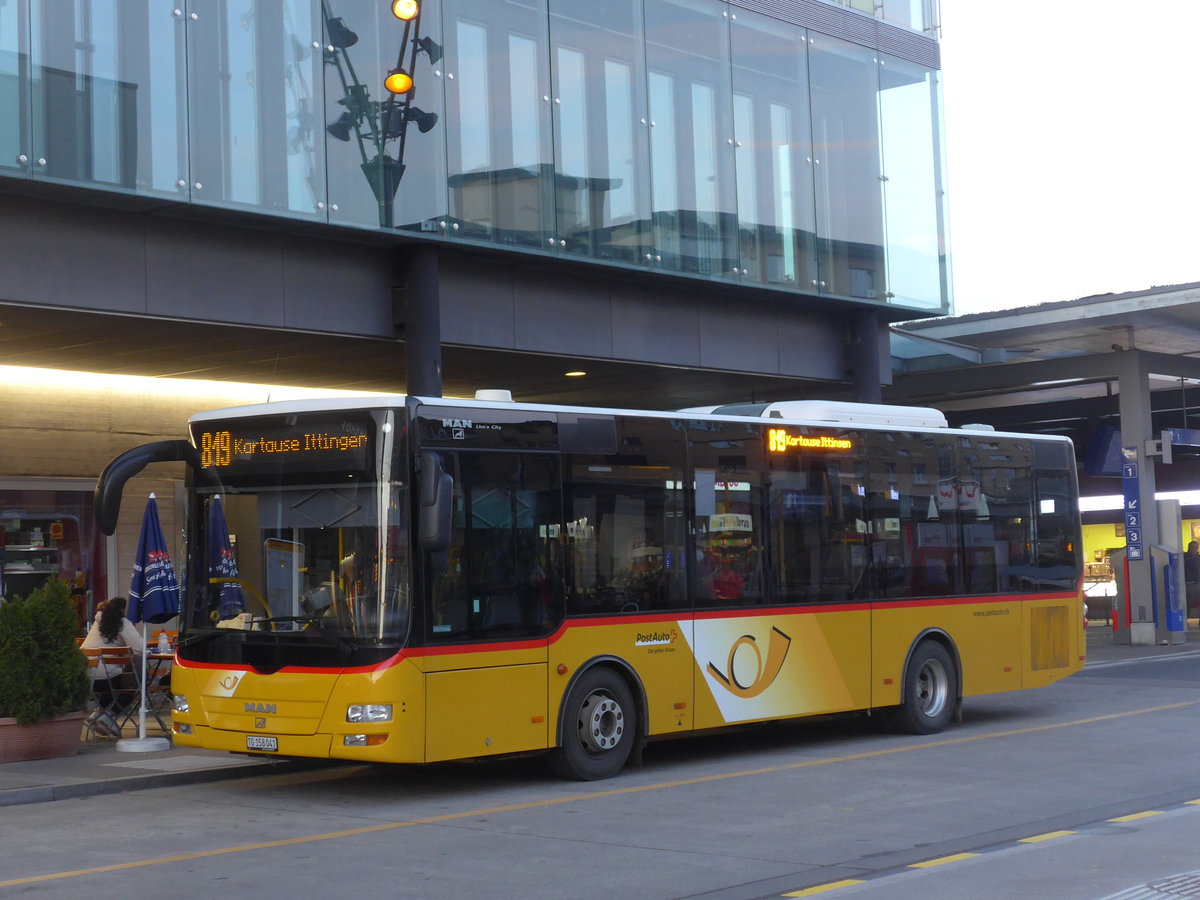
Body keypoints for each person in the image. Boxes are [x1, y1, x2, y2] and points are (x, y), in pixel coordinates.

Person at [81, 596, 145, 736]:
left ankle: (97, 715)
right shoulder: (122, 623)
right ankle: (109, 716)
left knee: (110, 689)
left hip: (87, 676)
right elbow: (140, 648)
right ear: (124, 610)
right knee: (132, 686)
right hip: (106, 677)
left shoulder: (98, 622)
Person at [1186, 541, 1200, 625]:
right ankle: (1186, 617)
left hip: (1198, 582)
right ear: (1189, 548)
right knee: (1189, 602)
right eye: (1193, 547)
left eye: (1196, 547)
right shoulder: (1185, 558)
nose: (1195, 549)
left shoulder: (1199, 557)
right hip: (1190, 584)